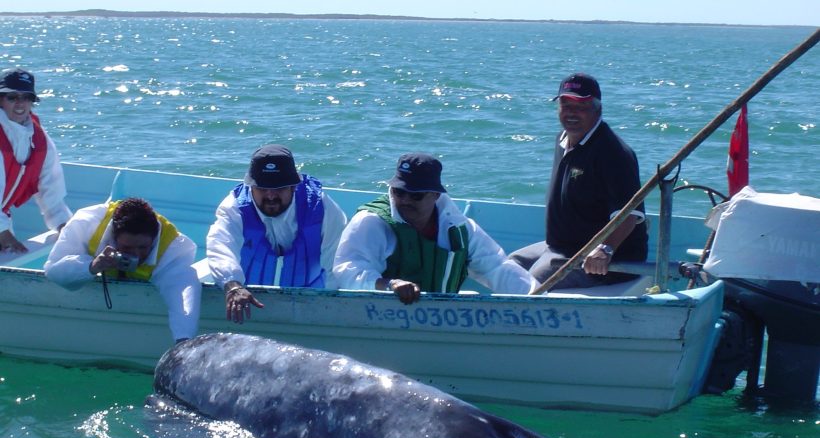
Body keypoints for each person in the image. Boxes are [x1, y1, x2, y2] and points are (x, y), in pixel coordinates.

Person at [333, 152, 536, 304]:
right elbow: (348, 272)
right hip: (378, 321)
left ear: (435, 195)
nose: (404, 200)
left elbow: (496, 267)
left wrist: (536, 298)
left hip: (437, 321)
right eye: (398, 192)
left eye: (416, 195)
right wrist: (389, 285)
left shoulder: (461, 229)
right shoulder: (371, 222)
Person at [510, 72, 648, 290]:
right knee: (508, 267)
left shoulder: (614, 153)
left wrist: (605, 250)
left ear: (598, 109)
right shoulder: (562, 139)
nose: (572, 113)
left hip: (602, 260)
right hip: (560, 247)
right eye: (566, 105)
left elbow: (629, 215)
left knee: (531, 284)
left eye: (581, 107)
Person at [207, 144, 348, 323]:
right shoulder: (233, 208)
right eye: (263, 189)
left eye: (279, 188)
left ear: (294, 187)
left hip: (310, 303)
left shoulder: (323, 209)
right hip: (247, 302)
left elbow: (337, 262)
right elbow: (219, 246)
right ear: (250, 187)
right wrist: (233, 285)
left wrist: (323, 309)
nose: (271, 196)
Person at [44, 197, 200, 343]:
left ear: (153, 240)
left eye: (143, 247)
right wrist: (91, 266)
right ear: (114, 236)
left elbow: (182, 293)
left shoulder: (174, 247)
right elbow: (52, 270)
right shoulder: (85, 223)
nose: (136, 255)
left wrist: (183, 340)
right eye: (127, 247)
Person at [0, 67, 72, 253]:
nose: (20, 103)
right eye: (12, 97)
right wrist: (3, 232)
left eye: (26, 97)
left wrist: (63, 225)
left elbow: (51, 189)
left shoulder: (39, 139)